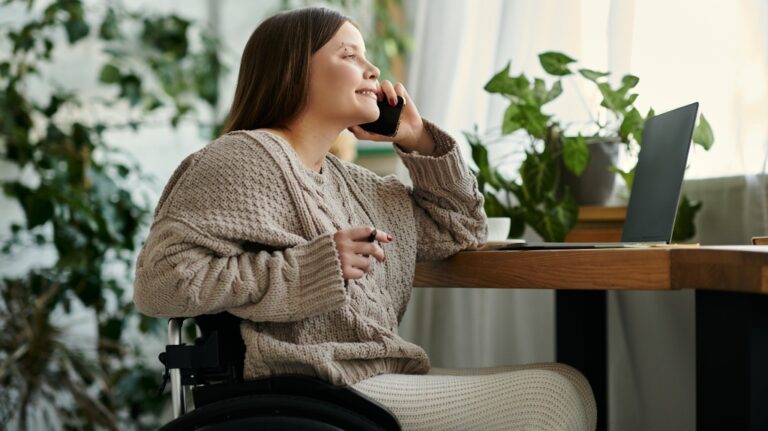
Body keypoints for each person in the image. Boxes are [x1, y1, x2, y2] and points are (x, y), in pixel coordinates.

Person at [133, 7, 596, 430]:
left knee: (567, 383)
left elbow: (460, 229)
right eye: (349, 54)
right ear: (294, 71)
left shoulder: (351, 182)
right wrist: (307, 269)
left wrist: (417, 138)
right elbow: (159, 281)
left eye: (367, 56)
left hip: (374, 374)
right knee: (551, 399)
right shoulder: (244, 157)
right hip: (309, 384)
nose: (373, 70)